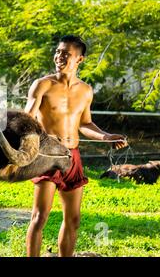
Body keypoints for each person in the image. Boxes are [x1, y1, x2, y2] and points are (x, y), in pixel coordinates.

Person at [24, 35, 128, 257]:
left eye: (66, 53)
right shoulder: (43, 84)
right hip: (47, 155)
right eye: (58, 51)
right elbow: (27, 118)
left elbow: (85, 123)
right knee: (40, 216)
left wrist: (106, 137)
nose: (59, 56)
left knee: (73, 219)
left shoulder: (85, 90)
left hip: (73, 156)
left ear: (79, 60)